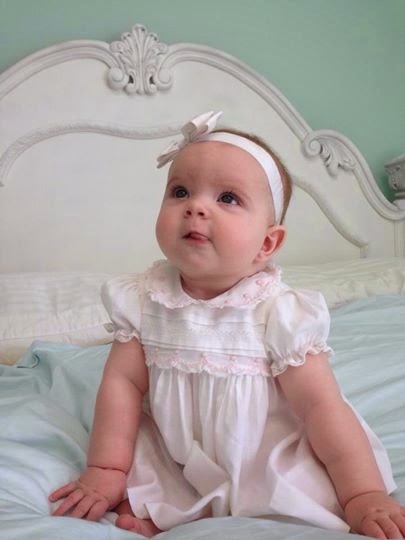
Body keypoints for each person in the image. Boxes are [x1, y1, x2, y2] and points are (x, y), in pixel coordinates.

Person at [49, 111, 405, 539]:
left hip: (260, 452)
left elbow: (322, 407)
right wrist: (105, 468)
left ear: (267, 243)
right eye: (180, 191)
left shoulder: (279, 313)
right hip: (178, 450)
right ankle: (172, 505)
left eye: (228, 198)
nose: (195, 206)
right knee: (141, 458)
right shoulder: (143, 299)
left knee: (299, 487)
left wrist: (363, 494)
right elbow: (123, 384)